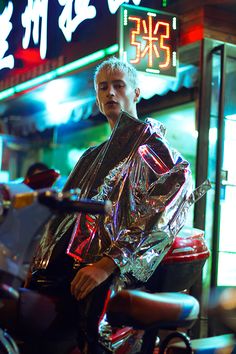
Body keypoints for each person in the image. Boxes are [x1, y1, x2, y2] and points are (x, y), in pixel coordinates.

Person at [23, 57, 192, 354]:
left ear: (136, 93)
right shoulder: (90, 157)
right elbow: (61, 217)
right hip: (66, 269)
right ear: (98, 98)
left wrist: (107, 264)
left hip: (116, 273)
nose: (110, 93)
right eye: (103, 88)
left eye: (118, 85)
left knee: (90, 333)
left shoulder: (160, 153)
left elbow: (159, 218)